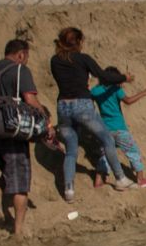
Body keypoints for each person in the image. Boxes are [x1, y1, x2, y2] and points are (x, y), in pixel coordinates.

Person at [0, 38, 50, 238]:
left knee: (8, 168)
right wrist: (46, 121)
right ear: (21, 54)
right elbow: (30, 99)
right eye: (27, 56)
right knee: (20, 181)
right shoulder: (20, 70)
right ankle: (18, 232)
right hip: (11, 130)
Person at [50, 27, 125, 198]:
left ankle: (68, 190)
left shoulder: (54, 60)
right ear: (78, 42)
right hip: (82, 104)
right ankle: (120, 178)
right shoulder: (83, 59)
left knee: (71, 150)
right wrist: (124, 78)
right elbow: (104, 76)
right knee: (106, 138)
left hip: (62, 106)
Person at [89, 67, 146, 188]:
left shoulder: (95, 91)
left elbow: (88, 101)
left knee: (105, 154)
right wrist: (144, 93)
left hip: (105, 129)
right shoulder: (115, 90)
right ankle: (140, 179)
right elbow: (128, 101)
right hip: (119, 128)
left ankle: (98, 179)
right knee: (133, 151)